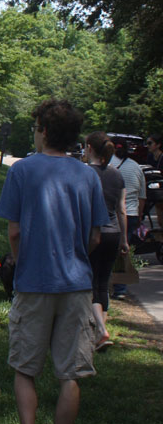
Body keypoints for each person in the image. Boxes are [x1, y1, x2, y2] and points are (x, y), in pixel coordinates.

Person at [0, 99, 108, 424]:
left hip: (34, 282)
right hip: (77, 285)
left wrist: (18, 259)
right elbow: (94, 236)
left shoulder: (24, 170)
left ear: (43, 130)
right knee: (69, 374)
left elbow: (14, 230)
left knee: (26, 367)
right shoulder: (88, 176)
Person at [83, 131, 127, 350]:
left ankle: (100, 329)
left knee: (90, 283)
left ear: (89, 147)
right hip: (114, 233)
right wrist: (125, 240)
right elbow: (122, 210)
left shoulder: (83, 173)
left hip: (93, 233)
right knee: (103, 282)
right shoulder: (116, 175)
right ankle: (100, 333)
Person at [109, 140, 146, 299]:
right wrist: (140, 215)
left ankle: (113, 286)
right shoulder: (136, 167)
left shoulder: (109, 166)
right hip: (131, 214)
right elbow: (142, 196)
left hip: (114, 214)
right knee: (124, 251)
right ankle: (120, 288)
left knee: (110, 250)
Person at [144, 133, 163, 227]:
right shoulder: (150, 157)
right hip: (155, 188)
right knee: (160, 218)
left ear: (158, 145)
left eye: (150, 143)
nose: (147, 146)